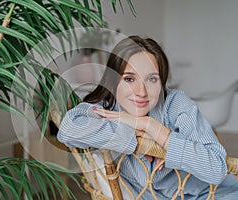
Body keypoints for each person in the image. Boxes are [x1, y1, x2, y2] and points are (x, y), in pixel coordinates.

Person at [57, 35, 238, 199]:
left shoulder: (176, 103)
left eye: (151, 79)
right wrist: (133, 132)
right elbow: (68, 130)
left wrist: (153, 128)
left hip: (210, 194)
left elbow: (216, 168)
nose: (141, 92)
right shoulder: (107, 108)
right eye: (129, 79)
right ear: (114, 80)